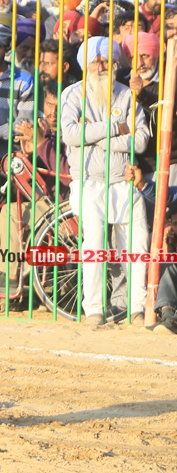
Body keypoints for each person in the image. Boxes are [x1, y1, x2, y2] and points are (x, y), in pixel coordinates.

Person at [60, 37, 150, 325]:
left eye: (105, 62)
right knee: (94, 244)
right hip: (88, 180)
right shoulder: (72, 94)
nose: (100, 67)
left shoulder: (126, 95)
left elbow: (141, 140)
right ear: (84, 65)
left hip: (124, 179)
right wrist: (114, 128)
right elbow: (70, 134)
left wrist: (96, 137)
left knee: (137, 244)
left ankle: (137, 308)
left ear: (114, 64)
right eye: (94, 62)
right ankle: (94, 310)